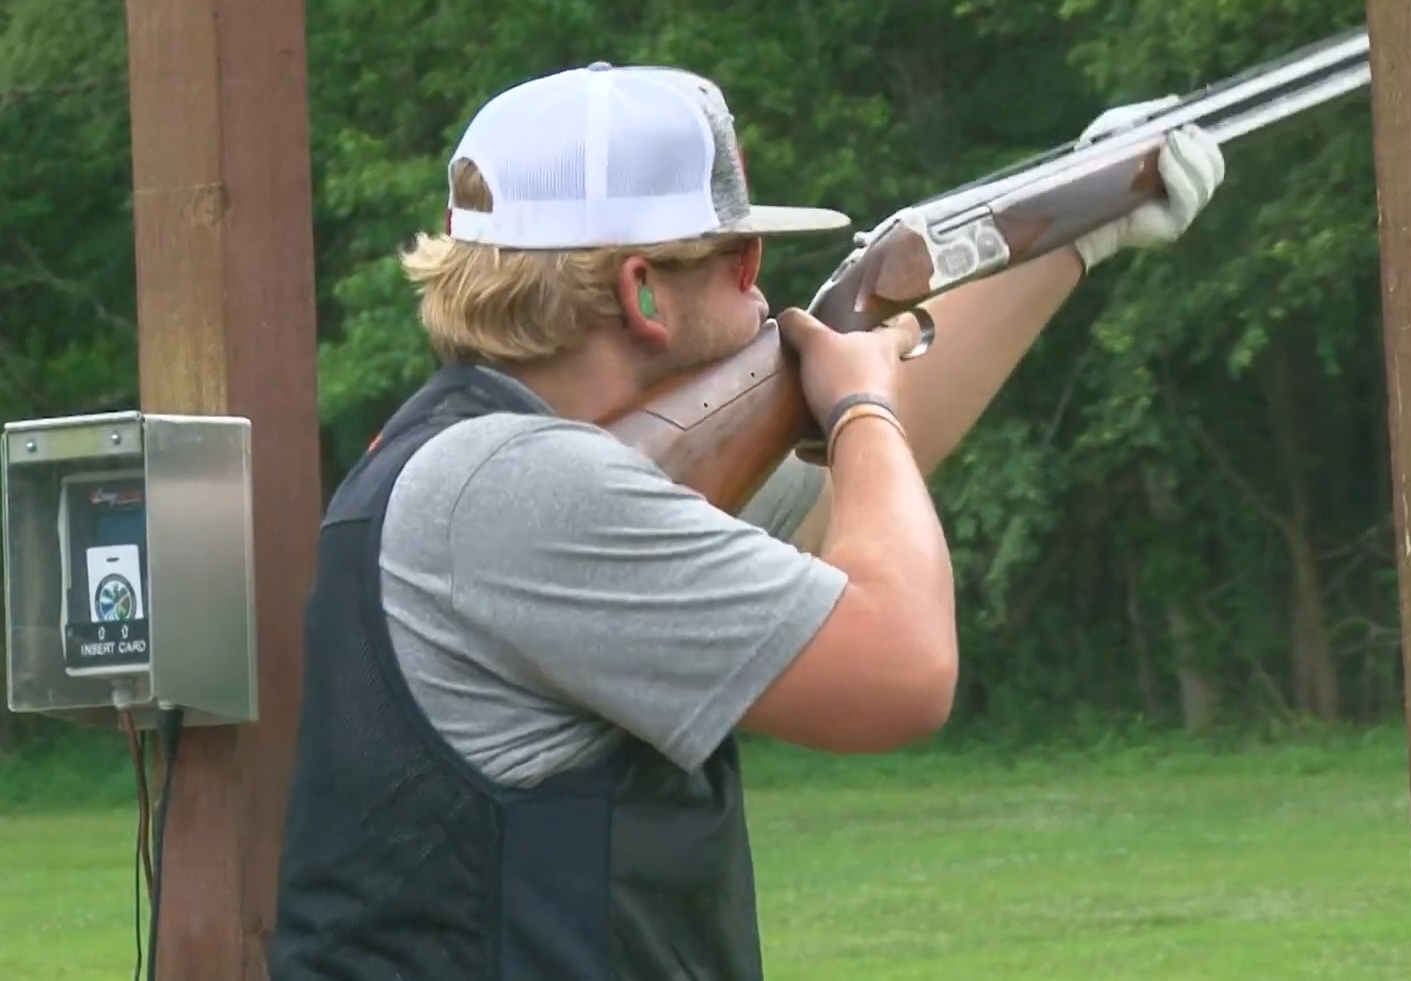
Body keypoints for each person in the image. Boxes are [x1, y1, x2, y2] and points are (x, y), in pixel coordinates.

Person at [268, 62, 1224, 980]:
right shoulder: (523, 488)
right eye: (739, 255)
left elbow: (848, 501)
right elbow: (902, 668)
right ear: (642, 291)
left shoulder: (480, 459)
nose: (760, 284)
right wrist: (859, 409)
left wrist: (1070, 232)